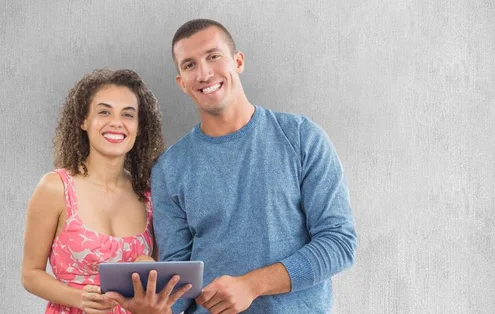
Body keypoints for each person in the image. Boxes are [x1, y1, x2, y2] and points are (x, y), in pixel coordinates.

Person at [111, 19, 356, 314]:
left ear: (238, 61)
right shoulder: (169, 169)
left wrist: (253, 284)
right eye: (189, 65)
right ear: (182, 83)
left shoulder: (301, 137)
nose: (203, 73)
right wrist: (156, 308)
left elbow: (339, 243)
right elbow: (179, 277)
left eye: (213, 56)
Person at [21, 68, 188, 313]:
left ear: (139, 127)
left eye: (128, 115)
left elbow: (156, 283)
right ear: (83, 121)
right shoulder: (55, 187)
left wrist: (149, 268)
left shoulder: (149, 196)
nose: (116, 123)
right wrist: (79, 298)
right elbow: (30, 274)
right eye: (104, 112)